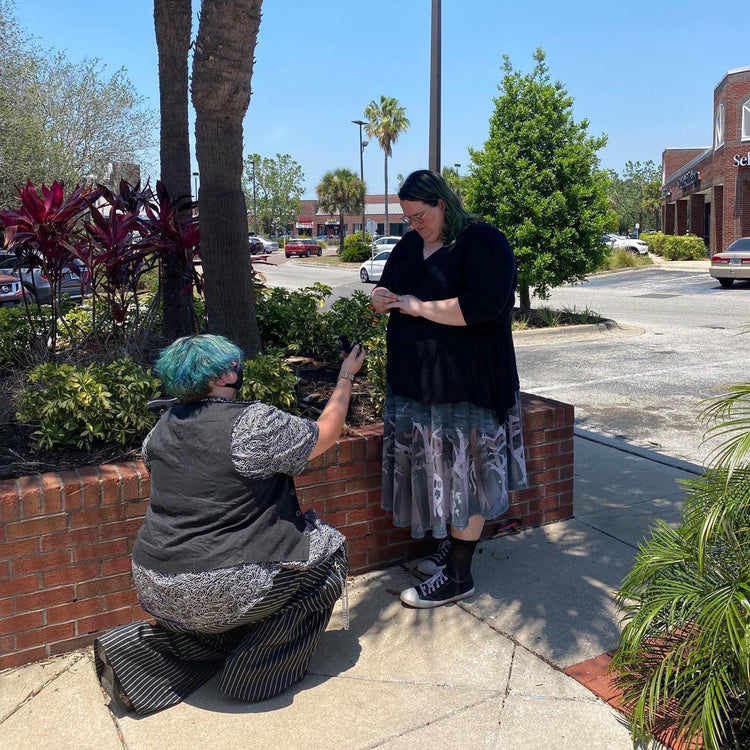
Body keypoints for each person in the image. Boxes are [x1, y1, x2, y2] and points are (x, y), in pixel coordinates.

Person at [94, 334, 365, 714]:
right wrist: (345, 378)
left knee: (221, 603)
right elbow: (325, 433)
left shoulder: (160, 430)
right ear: (222, 377)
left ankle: (143, 658)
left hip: (155, 585)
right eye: (234, 366)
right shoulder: (252, 424)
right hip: (221, 587)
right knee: (329, 553)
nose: (238, 370)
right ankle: (253, 675)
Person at [370, 169, 527, 609]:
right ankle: (453, 547)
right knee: (441, 472)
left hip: (468, 383)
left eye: (419, 216)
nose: (413, 225)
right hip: (417, 383)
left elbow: (482, 307)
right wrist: (381, 297)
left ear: (442, 203)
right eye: (407, 219)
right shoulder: (408, 245)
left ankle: (459, 576)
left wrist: (419, 308)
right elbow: (391, 287)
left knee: (469, 474)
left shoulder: (484, 242)